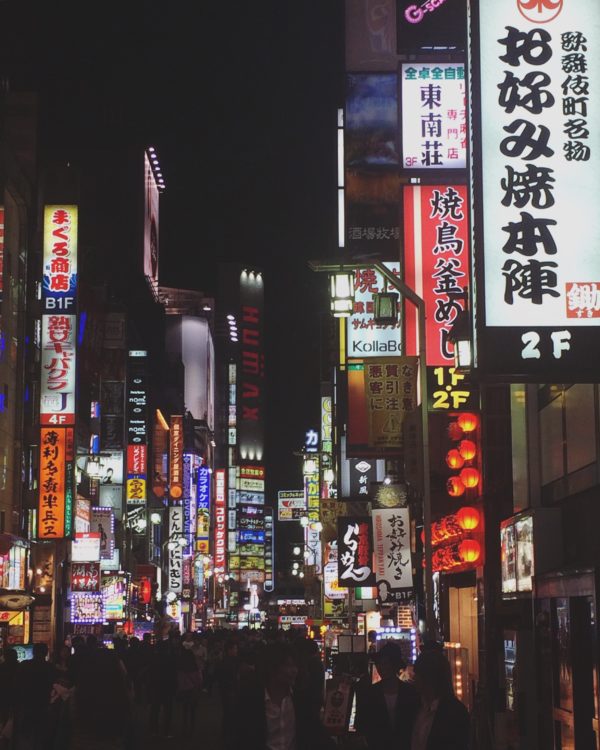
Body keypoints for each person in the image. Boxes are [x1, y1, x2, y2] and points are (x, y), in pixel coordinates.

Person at [233, 641, 334, 750]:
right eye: (288, 665)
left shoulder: (300, 699)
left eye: (295, 665)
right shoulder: (251, 700)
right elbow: (242, 738)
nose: (294, 670)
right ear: (272, 668)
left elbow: (316, 731)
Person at [355, 642, 420, 750]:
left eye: (386, 663)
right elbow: (361, 724)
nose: (382, 668)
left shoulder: (410, 692)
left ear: (394, 665)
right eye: (380, 664)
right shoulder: (370, 693)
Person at [411, 648, 470, 750]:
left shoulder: (455, 713)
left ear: (428, 678)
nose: (414, 678)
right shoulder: (415, 706)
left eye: (417, 674)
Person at [175, 642, 202, 736]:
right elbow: (199, 680)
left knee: (185, 709)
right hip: (193, 691)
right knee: (192, 711)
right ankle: (192, 728)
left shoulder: (180, 668)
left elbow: (179, 680)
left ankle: (184, 726)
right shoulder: (195, 668)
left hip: (184, 691)